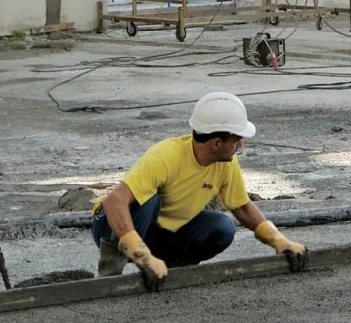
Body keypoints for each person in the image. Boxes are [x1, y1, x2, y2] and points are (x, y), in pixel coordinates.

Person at [91, 91, 308, 290]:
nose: (241, 146)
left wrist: (279, 240)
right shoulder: (164, 157)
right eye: (236, 140)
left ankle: (172, 272)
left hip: (160, 230)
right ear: (216, 143)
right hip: (110, 227)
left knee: (222, 226)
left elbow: (242, 207)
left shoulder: (226, 163)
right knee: (147, 198)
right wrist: (142, 255)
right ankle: (110, 276)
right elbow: (114, 202)